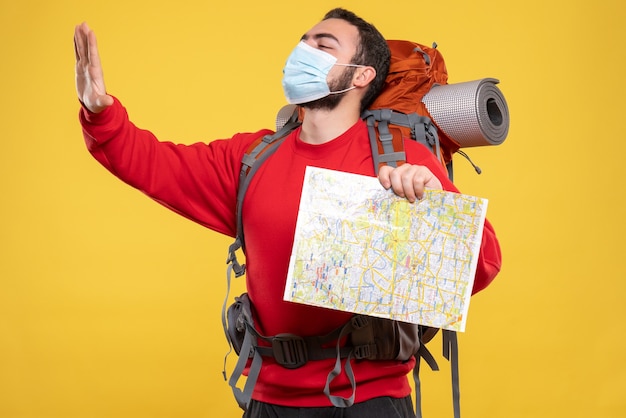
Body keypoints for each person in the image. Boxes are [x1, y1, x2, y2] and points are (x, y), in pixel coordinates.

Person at [74, 8, 501, 418]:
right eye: (303, 43)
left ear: (362, 74)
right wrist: (100, 112)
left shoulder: (401, 160)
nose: (304, 52)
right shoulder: (251, 158)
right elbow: (153, 164)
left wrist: (433, 209)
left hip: (372, 401)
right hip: (270, 400)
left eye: (323, 44)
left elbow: (484, 265)